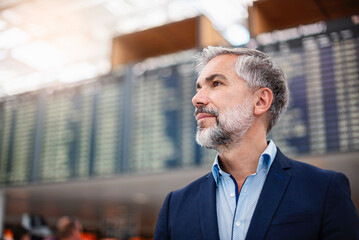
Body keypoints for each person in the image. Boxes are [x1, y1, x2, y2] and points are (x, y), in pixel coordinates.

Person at [154, 46, 359, 240]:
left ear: (260, 101)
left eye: (216, 83)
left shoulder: (323, 189)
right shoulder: (176, 205)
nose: (196, 99)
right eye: (198, 88)